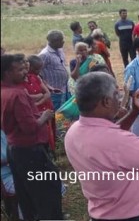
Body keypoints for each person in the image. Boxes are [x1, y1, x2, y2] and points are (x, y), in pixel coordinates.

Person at [64, 72, 139, 221]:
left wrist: (133, 112)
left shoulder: (74, 131)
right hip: (132, 215)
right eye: (117, 95)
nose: (121, 99)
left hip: (102, 212)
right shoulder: (119, 142)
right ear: (106, 101)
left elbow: (111, 137)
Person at [1, 54, 63, 219]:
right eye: (20, 69)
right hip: (30, 151)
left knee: (26, 192)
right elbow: (29, 128)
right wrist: (44, 116)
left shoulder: (4, 91)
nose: (24, 72)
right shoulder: (17, 94)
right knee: (48, 189)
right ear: (7, 72)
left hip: (14, 148)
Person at [56, 41, 106, 133]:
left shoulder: (93, 61)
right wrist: (78, 63)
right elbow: (75, 76)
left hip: (90, 88)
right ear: (76, 52)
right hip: (79, 88)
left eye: (84, 50)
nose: (82, 52)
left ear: (87, 51)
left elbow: (93, 75)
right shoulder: (73, 62)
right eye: (80, 50)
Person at [23, 55, 57, 151]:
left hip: (45, 108)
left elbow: (47, 93)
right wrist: (40, 96)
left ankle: (51, 153)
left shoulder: (34, 77)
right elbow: (27, 98)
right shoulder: (18, 83)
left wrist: (37, 102)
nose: (25, 66)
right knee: (40, 136)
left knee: (50, 133)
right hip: (36, 113)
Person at [38, 30, 70, 110]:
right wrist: (47, 86)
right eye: (61, 40)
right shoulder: (45, 54)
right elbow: (36, 72)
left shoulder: (59, 50)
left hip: (63, 88)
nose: (63, 42)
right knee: (54, 112)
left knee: (62, 112)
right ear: (54, 41)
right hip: (53, 91)